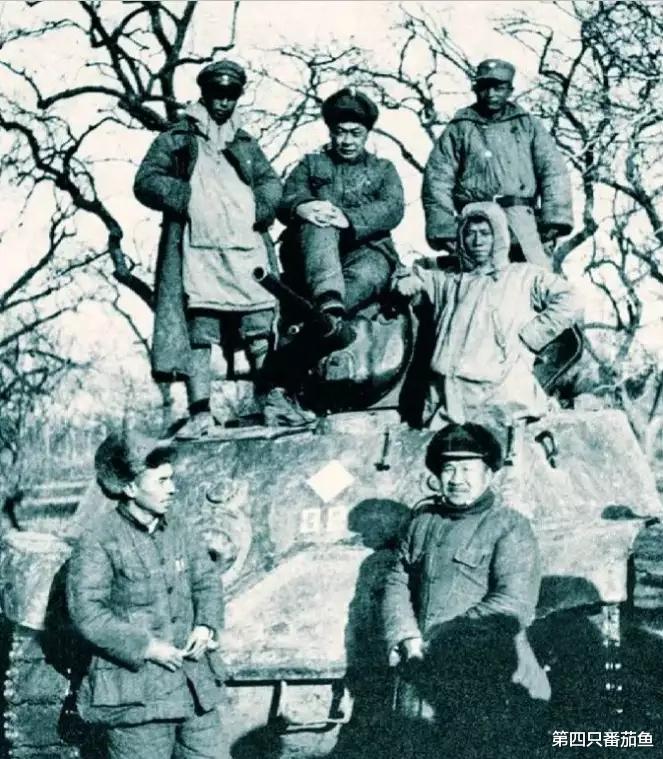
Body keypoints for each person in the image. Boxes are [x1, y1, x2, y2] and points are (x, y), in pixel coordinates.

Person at [134, 59, 312, 436]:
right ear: (205, 95)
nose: (223, 103)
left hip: (245, 248)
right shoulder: (177, 138)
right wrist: (187, 198)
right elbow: (146, 180)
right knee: (201, 329)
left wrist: (258, 208)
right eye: (217, 95)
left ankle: (270, 404)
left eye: (230, 96)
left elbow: (270, 183)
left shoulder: (245, 142)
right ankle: (200, 411)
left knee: (259, 324)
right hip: (198, 251)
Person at [382, 422, 550, 758]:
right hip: (418, 667)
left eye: (467, 469)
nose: (457, 479)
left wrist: (441, 640)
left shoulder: (509, 526)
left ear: (489, 474)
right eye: (449, 469)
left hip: (484, 672)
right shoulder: (421, 523)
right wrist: (405, 635)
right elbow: (397, 581)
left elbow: (512, 603)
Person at [67, 430, 226, 758]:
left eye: (172, 478)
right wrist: (147, 647)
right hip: (135, 696)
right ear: (129, 488)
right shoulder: (98, 539)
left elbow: (207, 580)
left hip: (193, 688)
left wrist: (205, 625)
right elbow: (88, 612)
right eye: (162, 481)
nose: (173, 488)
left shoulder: (179, 528)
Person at [393, 201, 581, 429]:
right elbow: (412, 276)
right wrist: (408, 281)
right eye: (470, 233)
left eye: (485, 233)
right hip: (449, 400)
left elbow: (570, 298)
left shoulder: (523, 276)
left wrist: (532, 336)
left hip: (502, 398)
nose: (477, 241)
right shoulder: (450, 281)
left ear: (498, 236)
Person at [277, 86, 405, 352]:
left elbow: (393, 207)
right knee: (321, 220)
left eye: (355, 133)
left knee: (367, 275)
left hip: (367, 252)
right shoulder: (311, 164)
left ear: (367, 134)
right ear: (330, 132)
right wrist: (302, 207)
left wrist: (349, 218)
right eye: (340, 132)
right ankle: (328, 301)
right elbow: (288, 196)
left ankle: (324, 319)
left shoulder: (383, 169)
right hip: (314, 253)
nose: (347, 141)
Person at [422, 58, 573, 268]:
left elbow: (553, 171)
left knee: (536, 275)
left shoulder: (528, 125)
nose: (491, 94)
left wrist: (554, 219)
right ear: (476, 89)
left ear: (510, 90)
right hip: (477, 220)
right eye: (485, 87)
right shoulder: (460, 128)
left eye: (499, 88)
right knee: (475, 280)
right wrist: (444, 227)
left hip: (520, 219)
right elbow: (437, 179)